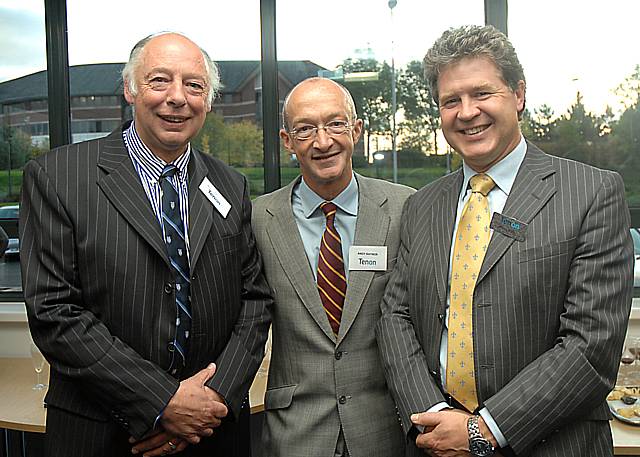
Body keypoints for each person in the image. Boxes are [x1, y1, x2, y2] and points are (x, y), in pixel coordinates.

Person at [376, 25, 634, 457]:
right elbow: (394, 316)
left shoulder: (592, 192)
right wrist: (432, 414)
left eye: (482, 93)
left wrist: (483, 431)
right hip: (436, 440)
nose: (466, 112)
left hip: (551, 444)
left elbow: (590, 346)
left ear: (518, 94)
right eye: (450, 101)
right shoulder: (422, 205)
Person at [20, 32, 272, 457]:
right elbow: (53, 310)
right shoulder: (57, 177)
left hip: (213, 433)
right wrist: (163, 402)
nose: (177, 98)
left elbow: (255, 300)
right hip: (102, 434)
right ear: (130, 90)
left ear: (208, 100)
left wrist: (213, 400)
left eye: (194, 85)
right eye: (159, 80)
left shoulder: (229, 185)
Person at [251, 77, 413, 457]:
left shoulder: (405, 208)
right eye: (305, 129)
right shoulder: (258, 219)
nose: (323, 142)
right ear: (287, 141)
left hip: (383, 429)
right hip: (294, 433)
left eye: (335, 124)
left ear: (355, 130)